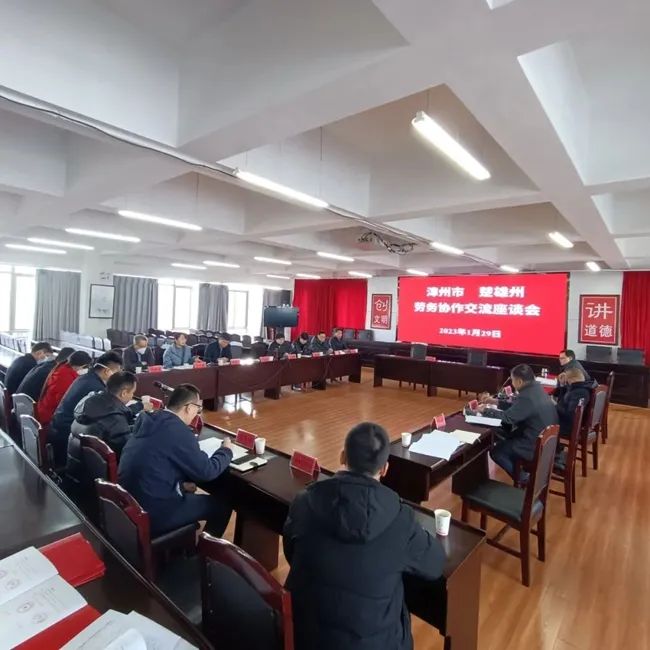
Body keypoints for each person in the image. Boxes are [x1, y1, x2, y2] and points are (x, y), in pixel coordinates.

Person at [283, 422, 445, 650]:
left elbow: (291, 551)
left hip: (306, 638)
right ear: (385, 469)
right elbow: (435, 565)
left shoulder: (304, 502)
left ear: (342, 457)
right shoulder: (401, 519)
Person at [119, 384, 234, 536]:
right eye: (198, 409)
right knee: (221, 506)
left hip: (129, 502)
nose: (197, 414)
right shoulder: (178, 430)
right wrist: (226, 451)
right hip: (153, 511)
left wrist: (179, 485)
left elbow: (157, 461)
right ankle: (205, 549)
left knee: (190, 489)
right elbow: (206, 472)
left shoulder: (149, 419)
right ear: (189, 408)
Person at [481, 364, 559, 479]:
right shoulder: (536, 389)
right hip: (547, 442)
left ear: (520, 381)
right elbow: (519, 407)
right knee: (502, 434)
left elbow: (508, 418)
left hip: (533, 445)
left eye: (512, 380)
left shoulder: (527, 396)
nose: (512, 383)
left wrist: (485, 410)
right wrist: (494, 402)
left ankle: (523, 478)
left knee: (497, 452)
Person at [49, 351, 122, 466]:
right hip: (67, 434)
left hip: (59, 427)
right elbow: (108, 415)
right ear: (107, 371)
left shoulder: (86, 378)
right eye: (117, 372)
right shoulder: (95, 388)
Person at [71, 371, 148, 457]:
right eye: (132, 393)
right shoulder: (114, 419)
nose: (132, 396)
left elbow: (115, 427)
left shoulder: (92, 401)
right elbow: (128, 449)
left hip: (82, 461)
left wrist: (138, 425)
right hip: (115, 461)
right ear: (124, 393)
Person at [36, 350, 93, 430]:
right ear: (78, 366)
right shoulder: (65, 377)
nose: (86, 369)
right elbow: (64, 403)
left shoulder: (63, 369)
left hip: (45, 413)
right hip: (49, 420)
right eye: (85, 367)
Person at [556, 367, 592, 437]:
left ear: (571, 380)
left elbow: (570, 415)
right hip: (566, 421)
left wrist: (554, 407)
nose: (567, 382)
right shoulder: (579, 388)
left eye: (567, 380)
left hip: (568, 427)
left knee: (541, 421)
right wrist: (562, 386)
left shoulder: (579, 393)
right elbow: (562, 401)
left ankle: (553, 444)